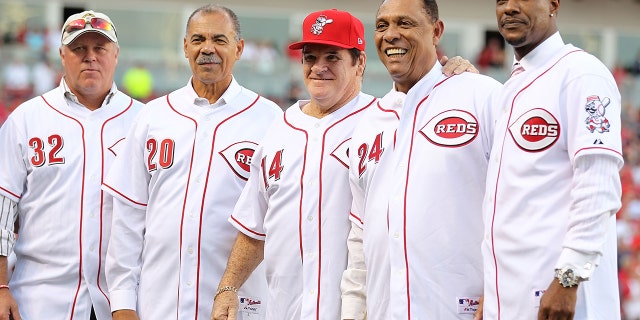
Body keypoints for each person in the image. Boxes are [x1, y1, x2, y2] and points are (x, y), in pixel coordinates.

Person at [102, 5, 281, 320]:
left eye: (219, 40)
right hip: (159, 303)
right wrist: (122, 302)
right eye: (198, 39)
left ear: (239, 48)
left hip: (238, 304)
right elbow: (127, 219)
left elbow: (278, 222)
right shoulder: (153, 116)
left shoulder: (270, 120)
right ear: (185, 46)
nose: (207, 49)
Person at [340, 0, 501, 319]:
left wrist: (502, 287)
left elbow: (519, 201)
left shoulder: (481, 95)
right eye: (382, 26)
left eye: (405, 23)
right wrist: (352, 311)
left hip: (463, 309)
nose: (391, 35)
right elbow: (360, 236)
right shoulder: (369, 123)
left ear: (436, 31)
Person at [211, 9, 376, 319]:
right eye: (310, 57)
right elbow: (253, 225)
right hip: (284, 310)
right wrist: (229, 287)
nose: (319, 67)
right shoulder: (280, 128)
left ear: (360, 63)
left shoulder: (383, 121)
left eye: (332, 57)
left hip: (355, 309)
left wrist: (458, 77)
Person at [482, 0, 623, 319]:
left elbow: (599, 185)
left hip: (560, 296)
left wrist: (569, 278)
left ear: (554, 4)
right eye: (501, 1)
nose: (510, 8)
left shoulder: (583, 74)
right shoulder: (513, 85)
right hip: (510, 295)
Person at [0, 9, 143, 320]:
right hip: (39, 298)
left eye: (99, 48)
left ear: (115, 55)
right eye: (79, 48)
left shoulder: (145, 121)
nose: (89, 57)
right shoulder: (27, 118)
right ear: (62, 55)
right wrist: (0, 287)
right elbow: (2, 207)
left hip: (124, 302)